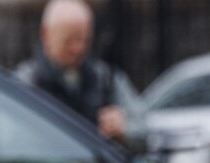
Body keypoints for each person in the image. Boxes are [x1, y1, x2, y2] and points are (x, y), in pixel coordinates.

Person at [14, 0, 141, 145]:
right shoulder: (26, 84)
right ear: (45, 34)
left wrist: (125, 129)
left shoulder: (105, 79)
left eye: (84, 40)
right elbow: (10, 138)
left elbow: (144, 126)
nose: (77, 48)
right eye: (68, 40)